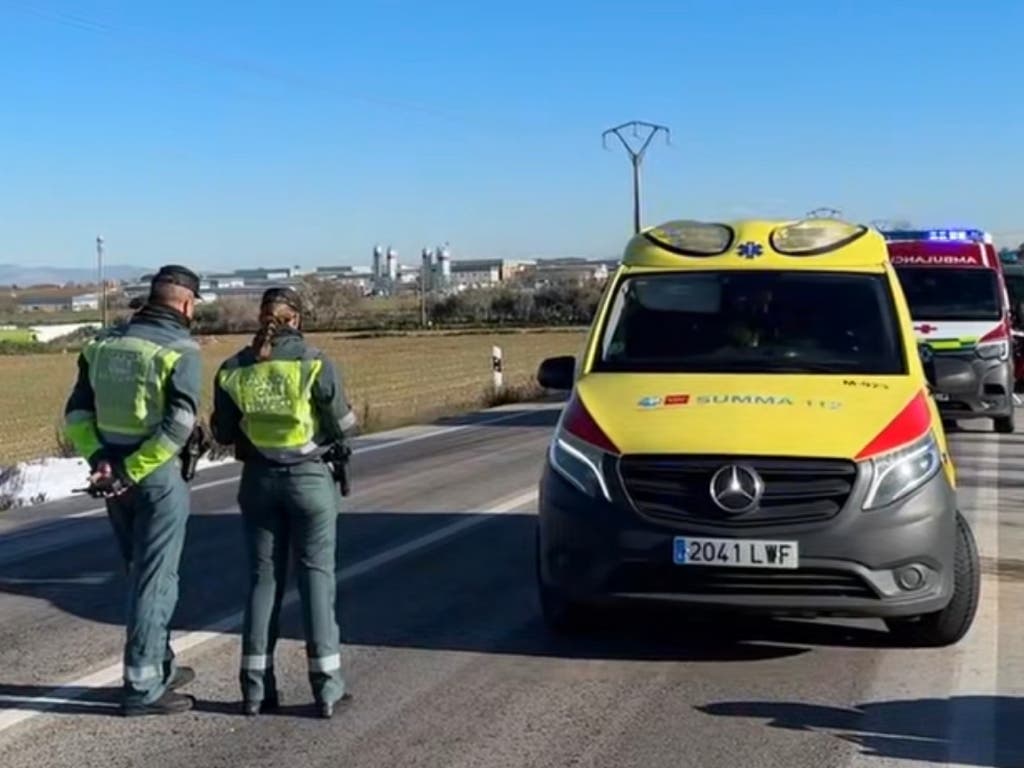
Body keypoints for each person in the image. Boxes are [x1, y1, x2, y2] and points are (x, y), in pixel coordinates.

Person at [62, 265, 204, 716]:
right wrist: (134, 468)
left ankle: (160, 663)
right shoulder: (181, 349)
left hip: (112, 474)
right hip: (155, 477)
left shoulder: (102, 344)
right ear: (185, 304)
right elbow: (178, 426)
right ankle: (143, 686)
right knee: (156, 579)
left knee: (138, 572)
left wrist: (101, 460)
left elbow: (77, 414)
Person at [211, 287, 357, 719]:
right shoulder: (315, 361)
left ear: (262, 318)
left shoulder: (233, 368)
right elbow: (344, 424)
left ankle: (255, 691)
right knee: (317, 580)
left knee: (262, 582)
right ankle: (327, 690)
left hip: (257, 481)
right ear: (296, 319)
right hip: (310, 480)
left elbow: (222, 432)